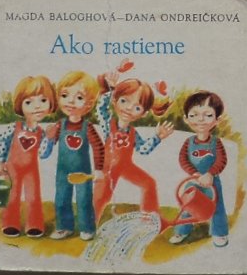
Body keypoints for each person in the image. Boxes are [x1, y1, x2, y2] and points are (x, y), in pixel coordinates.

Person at [92, 71, 174, 220]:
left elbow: (143, 149)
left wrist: (157, 137)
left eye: (137, 108)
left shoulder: (133, 133)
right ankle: (90, 224)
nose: (129, 108)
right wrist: (111, 90)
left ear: (143, 114)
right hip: (107, 168)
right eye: (124, 101)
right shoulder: (108, 125)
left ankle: (149, 217)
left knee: (149, 183)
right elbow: (101, 109)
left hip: (125, 166)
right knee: (102, 196)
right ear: (115, 101)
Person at [0, 75, 56, 238]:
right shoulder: (15, 127)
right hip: (12, 168)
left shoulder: (42, 132)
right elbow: (2, 141)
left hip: (31, 170)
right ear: (20, 106)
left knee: (33, 197)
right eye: (29, 102)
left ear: (50, 104)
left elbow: (43, 154)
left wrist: (49, 139)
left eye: (43, 100)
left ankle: (34, 225)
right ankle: (10, 223)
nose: (37, 106)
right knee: (12, 196)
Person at [49, 72, 105, 240]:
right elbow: (48, 144)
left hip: (83, 173)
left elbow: (98, 147)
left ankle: (87, 228)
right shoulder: (60, 125)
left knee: (84, 200)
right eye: (65, 95)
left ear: (88, 105)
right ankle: (64, 227)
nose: (71, 101)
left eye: (79, 98)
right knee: (61, 199)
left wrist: (99, 169)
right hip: (62, 172)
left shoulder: (87, 127)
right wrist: (47, 136)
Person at [170, 91, 230, 247]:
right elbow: (183, 160)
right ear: (186, 119)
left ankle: (219, 233)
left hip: (212, 182)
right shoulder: (188, 142)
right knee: (187, 206)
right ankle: (182, 230)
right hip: (193, 181)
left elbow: (221, 160)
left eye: (208, 115)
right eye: (194, 115)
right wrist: (195, 174)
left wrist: (210, 174)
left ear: (217, 120)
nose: (201, 120)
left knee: (217, 207)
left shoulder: (216, 142)